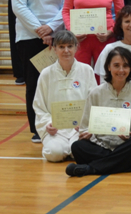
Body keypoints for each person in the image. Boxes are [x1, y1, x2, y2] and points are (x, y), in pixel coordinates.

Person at [12, 0, 69, 142]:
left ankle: (62, 123)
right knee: (35, 83)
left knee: (59, 82)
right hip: (29, 37)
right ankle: (38, 128)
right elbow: (19, 6)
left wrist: (51, 28)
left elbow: (66, 5)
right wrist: (40, 30)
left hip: (57, 37)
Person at [66, 47, 131, 177]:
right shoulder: (96, 93)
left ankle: (91, 169)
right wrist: (88, 134)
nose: (121, 70)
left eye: (125, 66)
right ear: (108, 67)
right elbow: (85, 126)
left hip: (126, 145)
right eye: (116, 65)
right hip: (100, 146)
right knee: (77, 147)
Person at [33, 31, 95, 162]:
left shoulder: (87, 70)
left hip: (79, 129)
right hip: (56, 130)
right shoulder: (46, 74)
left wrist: (85, 124)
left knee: (79, 150)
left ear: (76, 47)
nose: (66, 51)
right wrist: (48, 124)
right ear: (54, 49)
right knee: (55, 153)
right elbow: (39, 106)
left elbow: (94, 102)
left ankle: (71, 149)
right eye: (61, 47)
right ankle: (63, 148)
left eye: (70, 46)